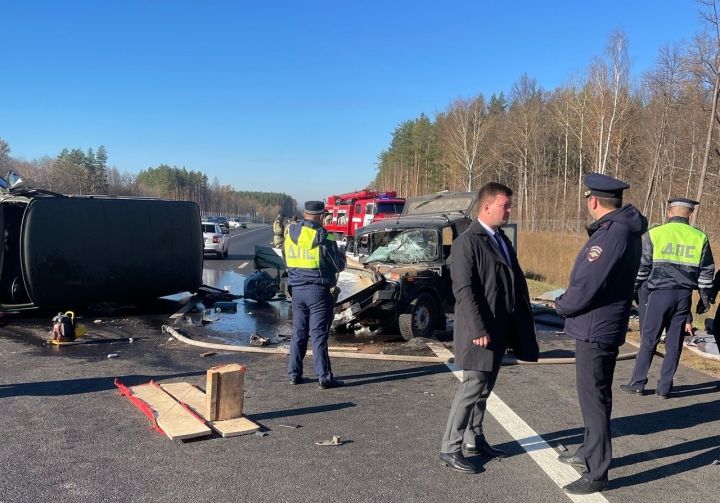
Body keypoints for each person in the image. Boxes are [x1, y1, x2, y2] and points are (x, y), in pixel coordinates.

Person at [554, 173, 647, 495]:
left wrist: (561, 305)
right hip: (602, 325)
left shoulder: (612, 235)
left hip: (596, 327)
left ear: (593, 200)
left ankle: (597, 472)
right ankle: (588, 451)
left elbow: (588, 283)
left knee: (594, 399)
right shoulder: (623, 230)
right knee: (595, 395)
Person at [439, 182, 539, 474]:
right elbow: (464, 290)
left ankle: (474, 438)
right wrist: (478, 329)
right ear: (486, 207)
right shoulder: (467, 242)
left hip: (499, 330)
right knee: (471, 387)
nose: (509, 210)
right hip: (479, 332)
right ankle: (450, 446)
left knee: (485, 387)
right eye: (504, 205)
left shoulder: (501, 239)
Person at [620, 198, 715, 398]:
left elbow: (642, 268)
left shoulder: (655, 234)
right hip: (684, 296)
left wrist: (630, 292)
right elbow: (706, 273)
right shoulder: (700, 237)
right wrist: (704, 300)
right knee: (674, 343)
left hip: (659, 294)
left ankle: (637, 382)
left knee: (649, 339)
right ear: (690, 215)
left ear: (669, 213)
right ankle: (664, 387)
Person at [284, 201, 346, 389]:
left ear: (305, 214)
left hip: (297, 290)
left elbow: (287, 262)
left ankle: (294, 374)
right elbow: (338, 266)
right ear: (321, 216)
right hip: (318, 291)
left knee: (299, 332)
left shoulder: (290, 235)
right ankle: (324, 378)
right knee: (318, 335)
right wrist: (341, 255)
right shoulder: (323, 236)